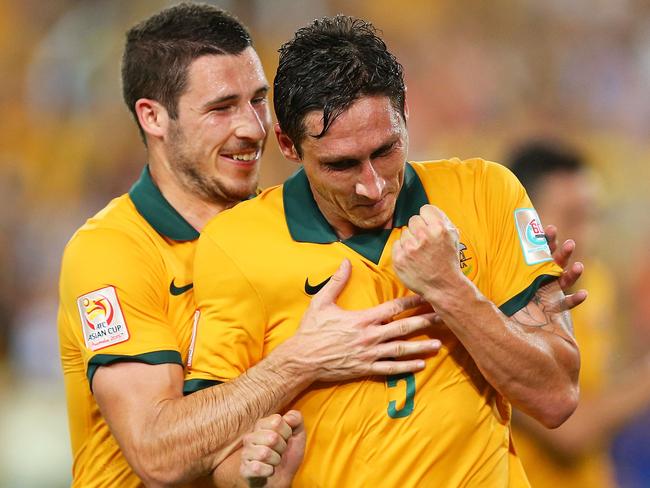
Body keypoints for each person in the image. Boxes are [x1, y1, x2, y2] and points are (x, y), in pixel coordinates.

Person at [56, 5, 445, 487]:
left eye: (258, 100)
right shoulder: (113, 251)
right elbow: (157, 455)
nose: (253, 128)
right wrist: (300, 360)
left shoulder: (289, 226)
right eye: (221, 108)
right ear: (153, 117)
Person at [185, 15, 582, 487]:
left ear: (405, 112)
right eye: (341, 164)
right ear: (289, 146)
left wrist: (451, 290)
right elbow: (211, 450)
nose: (372, 186)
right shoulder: (235, 244)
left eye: (386, 150)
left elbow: (556, 396)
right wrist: (255, 473)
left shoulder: (487, 191)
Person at [508, 140, 650, 488]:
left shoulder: (596, 283)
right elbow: (570, 431)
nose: (587, 233)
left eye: (593, 216)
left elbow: (605, 386)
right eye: (572, 216)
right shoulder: (500, 309)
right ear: (525, 218)